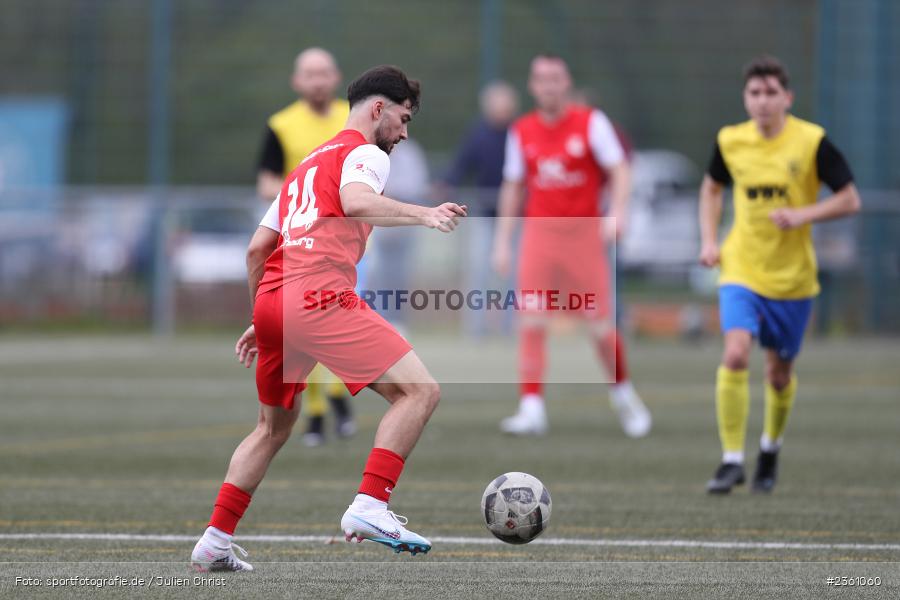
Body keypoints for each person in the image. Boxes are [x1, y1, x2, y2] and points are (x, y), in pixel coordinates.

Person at [191, 65, 467, 571]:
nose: (404, 134)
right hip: (317, 293)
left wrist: (264, 317)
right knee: (420, 391)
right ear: (378, 109)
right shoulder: (363, 153)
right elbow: (356, 201)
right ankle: (371, 505)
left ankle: (214, 542)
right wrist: (425, 214)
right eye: (403, 120)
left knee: (271, 428)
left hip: (276, 299)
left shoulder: (304, 168)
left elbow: (258, 249)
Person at [699, 56, 860, 494]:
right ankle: (731, 459)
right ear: (745, 98)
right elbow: (711, 188)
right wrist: (710, 240)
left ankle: (770, 448)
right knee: (734, 353)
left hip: (792, 280)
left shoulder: (811, 142)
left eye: (772, 93)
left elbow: (849, 199)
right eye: (755, 93)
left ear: (787, 97)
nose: (763, 101)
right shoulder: (730, 141)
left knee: (778, 375)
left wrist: (803, 213)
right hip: (741, 269)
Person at [491, 54, 651, 438]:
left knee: (599, 327)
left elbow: (620, 169)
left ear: (566, 83)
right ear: (532, 85)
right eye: (541, 79)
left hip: (583, 237)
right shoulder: (522, 130)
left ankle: (624, 393)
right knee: (531, 320)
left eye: (555, 79)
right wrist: (502, 241)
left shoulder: (591, 122)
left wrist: (620, 210)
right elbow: (513, 186)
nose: (548, 85)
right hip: (539, 236)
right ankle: (531, 408)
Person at [255, 47, 354, 446]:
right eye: (309, 74)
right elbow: (265, 181)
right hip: (303, 242)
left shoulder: (355, 117)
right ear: (297, 81)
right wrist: (304, 198)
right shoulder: (281, 125)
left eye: (324, 72)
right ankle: (317, 411)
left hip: (351, 239)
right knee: (310, 321)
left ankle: (334, 396)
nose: (317, 80)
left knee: (345, 318)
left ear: (336, 77)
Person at [440, 81, 519, 337]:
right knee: (479, 271)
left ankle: (510, 327)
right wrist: (446, 184)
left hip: (514, 218)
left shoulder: (519, 134)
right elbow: (461, 166)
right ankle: (476, 329)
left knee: (513, 275)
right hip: (484, 216)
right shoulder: (478, 135)